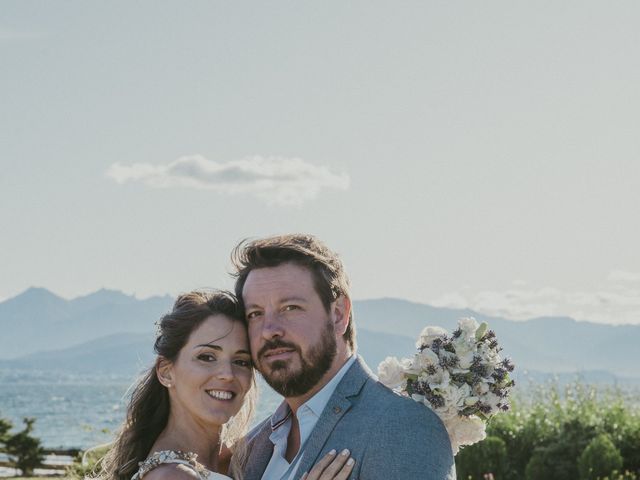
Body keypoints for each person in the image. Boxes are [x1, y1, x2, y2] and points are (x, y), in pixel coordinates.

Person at [230, 234, 456, 480]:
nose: (269, 330)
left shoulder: (404, 426)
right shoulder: (250, 449)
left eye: (290, 308)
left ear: (338, 314)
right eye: (255, 313)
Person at [97, 290, 354, 480]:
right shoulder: (170, 476)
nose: (226, 374)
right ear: (166, 372)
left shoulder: (241, 457)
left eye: (241, 361)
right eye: (207, 357)